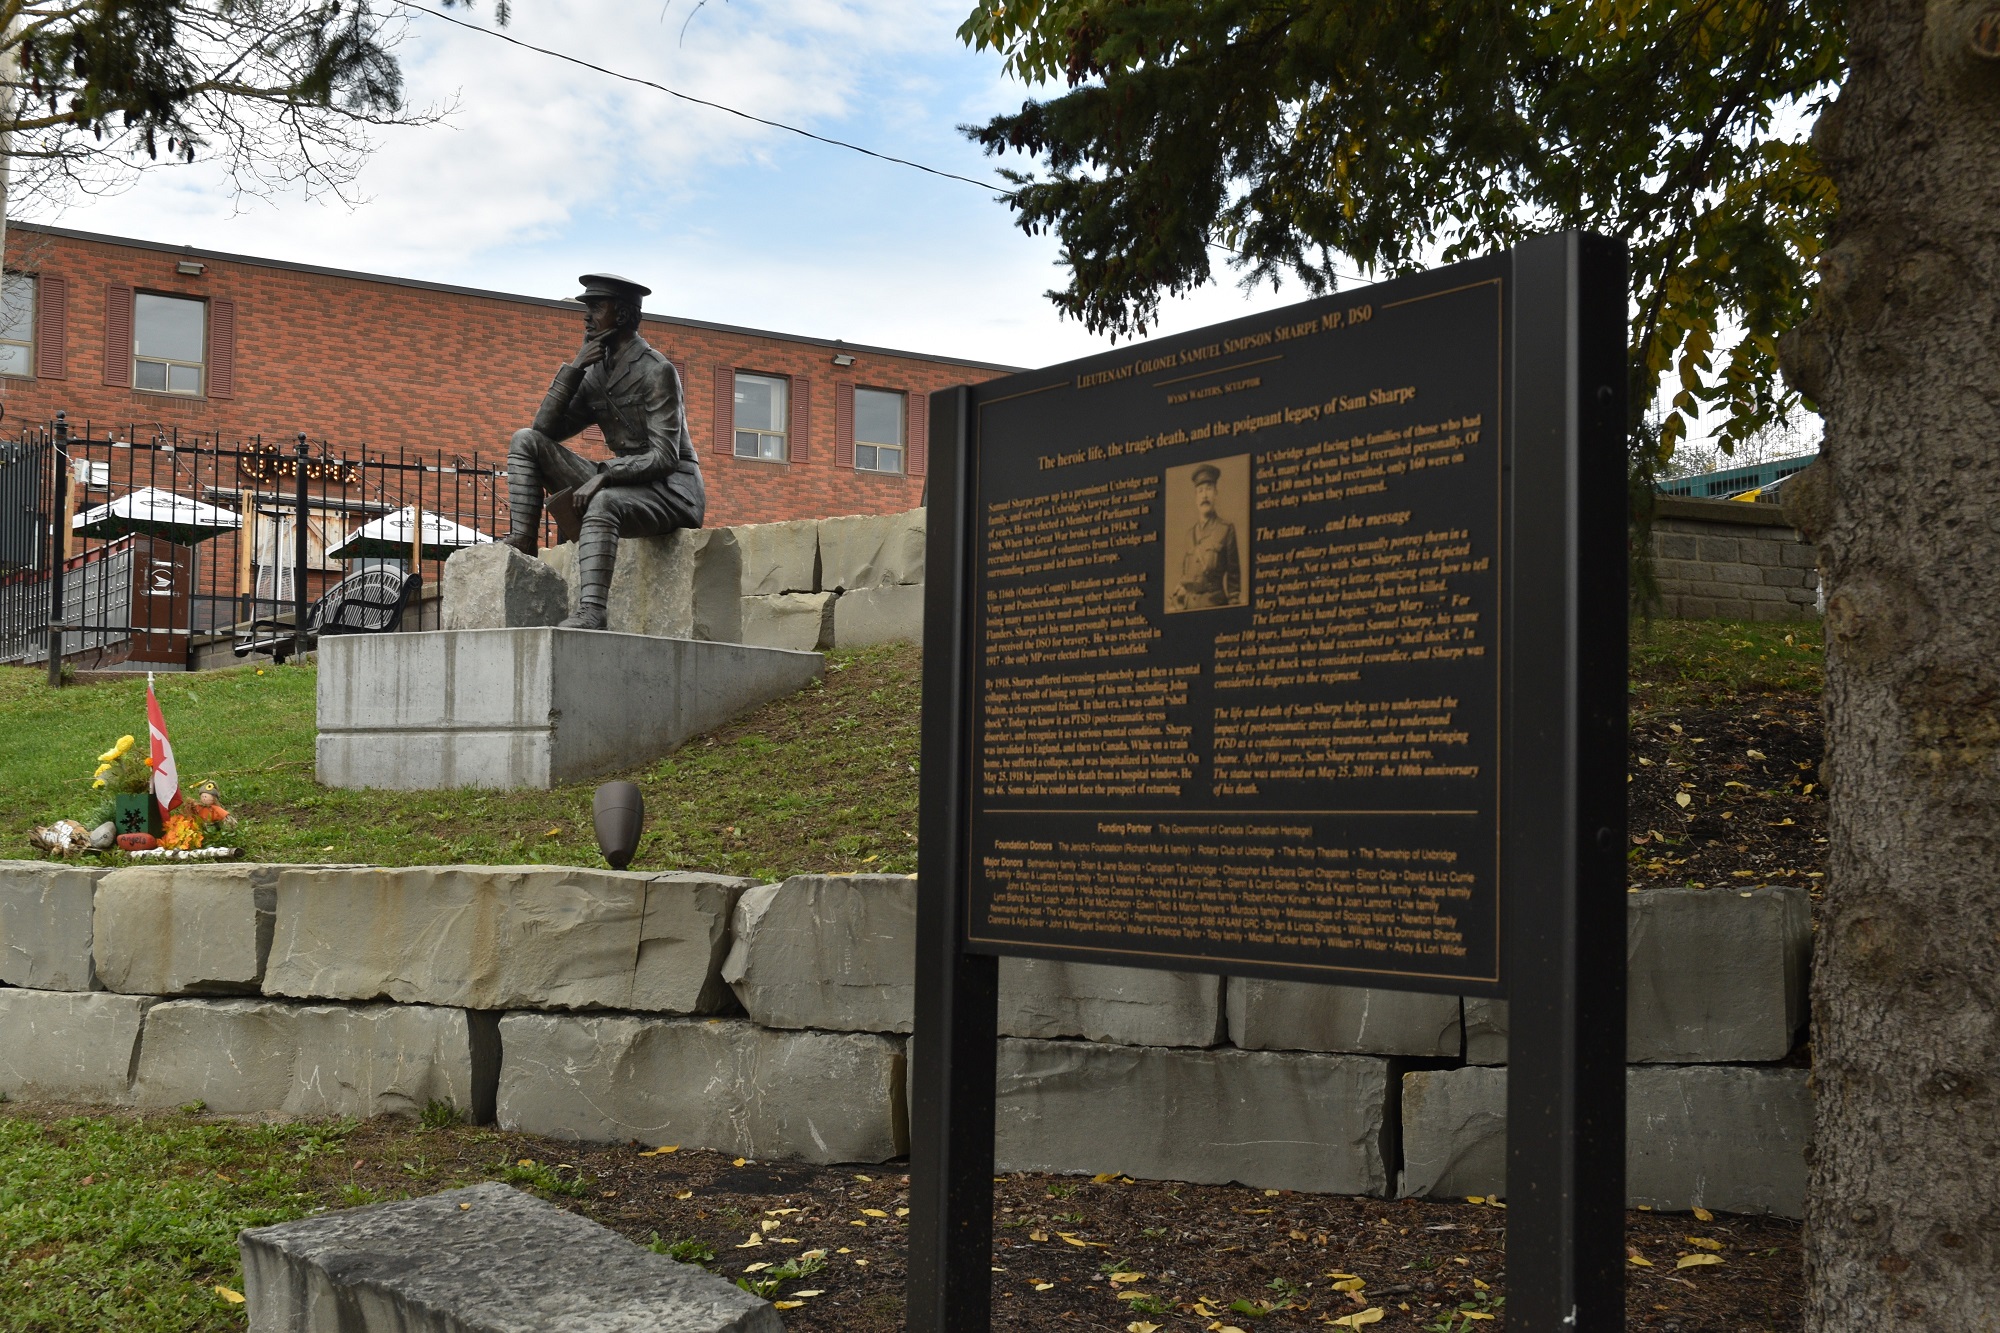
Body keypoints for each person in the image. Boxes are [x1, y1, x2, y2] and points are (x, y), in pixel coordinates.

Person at [502, 273, 705, 629]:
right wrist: (574, 368)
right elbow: (544, 430)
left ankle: (593, 612)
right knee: (524, 441)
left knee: (604, 501)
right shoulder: (594, 371)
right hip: (623, 480)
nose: (587, 316)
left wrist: (605, 475)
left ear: (623, 316)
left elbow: (664, 457)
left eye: (596, 307)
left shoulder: (657, 370)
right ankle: (522, 541)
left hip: (671, 491)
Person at [1171, 462, 1242, 610]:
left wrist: (1234, 606)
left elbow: (1234, 578)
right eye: (1200, 490)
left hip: (1214, 605)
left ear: (1216, 493)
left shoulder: (1225, 529)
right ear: (1195, 497)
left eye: (1209, 489)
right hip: (1189, 607)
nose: (1204, 495)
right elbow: (1186, 575)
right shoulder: (1189, 535)